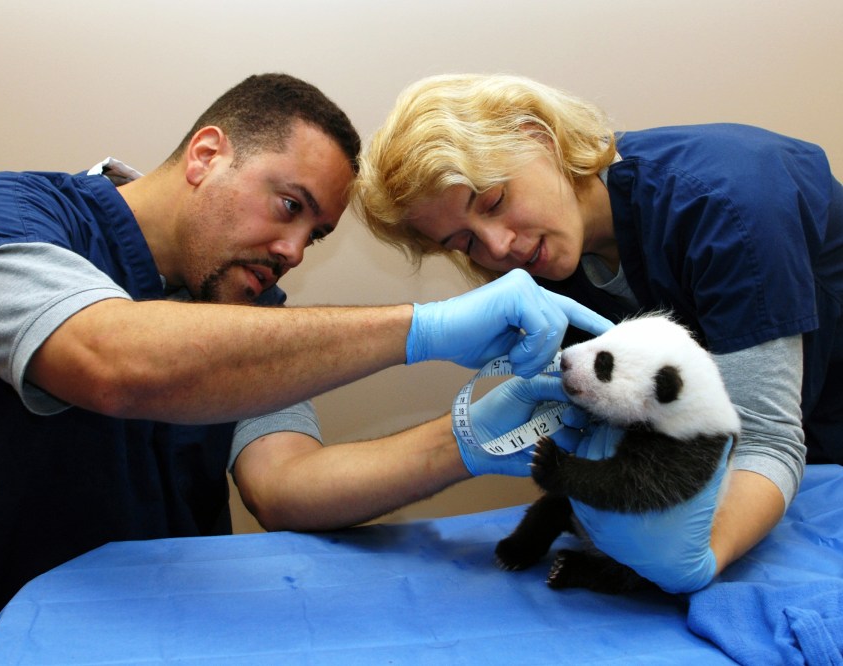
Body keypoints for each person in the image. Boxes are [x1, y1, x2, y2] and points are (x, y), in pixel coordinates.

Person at [0, 73, 611, 665]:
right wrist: (424, 329)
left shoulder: (250, 324)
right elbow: (112, 360)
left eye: (314, 235)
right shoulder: (0, 218)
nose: (292, 251)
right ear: (206, 155)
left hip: (153, 645)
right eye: (289, 205)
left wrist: (474, 438)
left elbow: (287, 488)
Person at [353, 72, 842, 594]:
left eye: (493, 201)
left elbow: (767, 436)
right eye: (463, 242)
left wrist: (701, 559)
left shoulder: (728, 205)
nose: (497, 247)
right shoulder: (547, 270)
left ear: (538, 137)